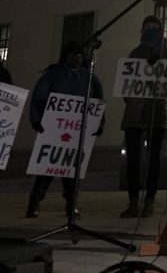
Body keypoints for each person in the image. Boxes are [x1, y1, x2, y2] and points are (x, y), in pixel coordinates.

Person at [26, 41, 104, 218]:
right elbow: (38, 98)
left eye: (79, 54)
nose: (76, 57)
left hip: (77, 131)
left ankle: (71, 204)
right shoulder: (53, 74)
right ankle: (34, 203)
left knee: (73, 169)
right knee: (46, 168)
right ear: (65, 56)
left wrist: (99, 123)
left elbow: (98, 103)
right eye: (72, 54)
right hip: (53, 129)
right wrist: (36, 120)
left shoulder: (90, 77)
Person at [120, 15, 167, 218]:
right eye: (146, 26)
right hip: (134, 113)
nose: (150, 29)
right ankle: (133, 201)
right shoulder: (135, 53)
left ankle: (149, 201)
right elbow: (127, 82)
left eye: (154, 26)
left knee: (153, 159)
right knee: (132, 160)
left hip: (156, 113)